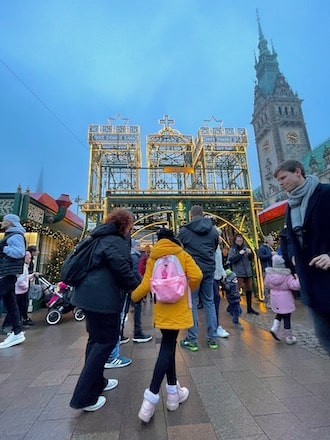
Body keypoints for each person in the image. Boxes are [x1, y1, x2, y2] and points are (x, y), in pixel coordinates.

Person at [69, 208, 140, 412]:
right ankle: (84, 397)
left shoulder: (97, 237)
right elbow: (123, 271)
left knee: (95, 341)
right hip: (103, 300)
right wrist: (141, 287)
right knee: (105, 342)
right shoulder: (115, 241)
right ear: (124, 225)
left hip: (88, 297)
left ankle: (97, 382)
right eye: (131, 225)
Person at [131, 228, 202, 423]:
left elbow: (145, 285)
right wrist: (186, 288)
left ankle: (173, 394)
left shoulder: (153, 258)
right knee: (168, 347)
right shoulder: (183, 255)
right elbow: (197, 276)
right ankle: (150, 397)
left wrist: (134, 297)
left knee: (168, 346)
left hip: (162, 309)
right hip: (178, 308)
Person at [274, 160, 330, 354]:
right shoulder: (290, 205)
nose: (280, 183)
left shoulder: (325, 193)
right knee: (325, 338)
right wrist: (293, 257)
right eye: (278, 180)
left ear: (298, 172)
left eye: (283, 178)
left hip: (327, 273)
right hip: (311, 282)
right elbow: (291, 238)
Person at [178, 205, 219, 351]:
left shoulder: (184, 231)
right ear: (203, 214)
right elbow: (214, 247)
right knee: (209, 302)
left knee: (193, 303)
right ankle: (213, 338)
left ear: (191, 215)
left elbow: (178, 248)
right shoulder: (213, 230)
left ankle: (192, 339)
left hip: (193, 271)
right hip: (209, 270)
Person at [0, 214, 26, 349]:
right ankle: (17, 331)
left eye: (4, 220)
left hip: (7, 273)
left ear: (10, 222)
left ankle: (17, 331)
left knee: (9, 301)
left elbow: (20, 253)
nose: (2, 222)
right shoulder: (11, 235)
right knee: (10, 302)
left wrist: (3, 248)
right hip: (8, 272)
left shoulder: (15, 236)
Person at [264, 254, 300, 344]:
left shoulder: (269, 275)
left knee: (279, 314)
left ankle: (274, 328)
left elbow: (266, 284)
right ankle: (289, 337)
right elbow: (295, 286)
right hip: (285, 299)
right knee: (287, 317)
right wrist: (299, 278)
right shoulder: (287, 276)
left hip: (275, 298)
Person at [227, 233, 259, 315]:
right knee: (236, 291)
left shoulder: (245, 248)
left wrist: (250, 254)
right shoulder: (232, 249)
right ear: (235, 241)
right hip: (238, 272)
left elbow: (250, 259)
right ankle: (233, 308)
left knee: (249, 289)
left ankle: (249, 308)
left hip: (247, 272)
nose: (240, 242)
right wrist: (240, 254)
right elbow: (231, 260)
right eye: (238, 240)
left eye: (241, 240)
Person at [130, 239, 152, 343]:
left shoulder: (134, 256)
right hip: (135, 286)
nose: (140, 247)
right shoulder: (134, 257)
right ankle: (138, 333)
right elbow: (135, 271)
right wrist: (141, 282)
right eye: (138, 245)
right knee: (137, 308)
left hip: (131, 286)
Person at [213, 238, 229, 337]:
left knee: (215, 300)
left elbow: (219, 264)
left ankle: (215, 326)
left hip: (217, 276)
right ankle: (215, 326)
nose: (220, 238)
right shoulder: (212, 248)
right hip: (212, 277)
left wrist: (222, 272)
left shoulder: (217, 248)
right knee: (214, 300)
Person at [257, 235, 276, 307]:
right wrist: (270, 255)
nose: (273, 241)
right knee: (267, 286)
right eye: (271, 240)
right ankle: (267, 301)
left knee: (270, 285)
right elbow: (261, 256)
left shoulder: (269, 248)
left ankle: (271, 301)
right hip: (266, 269)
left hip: (270, 268)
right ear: (268, 241)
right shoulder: (263, 248)